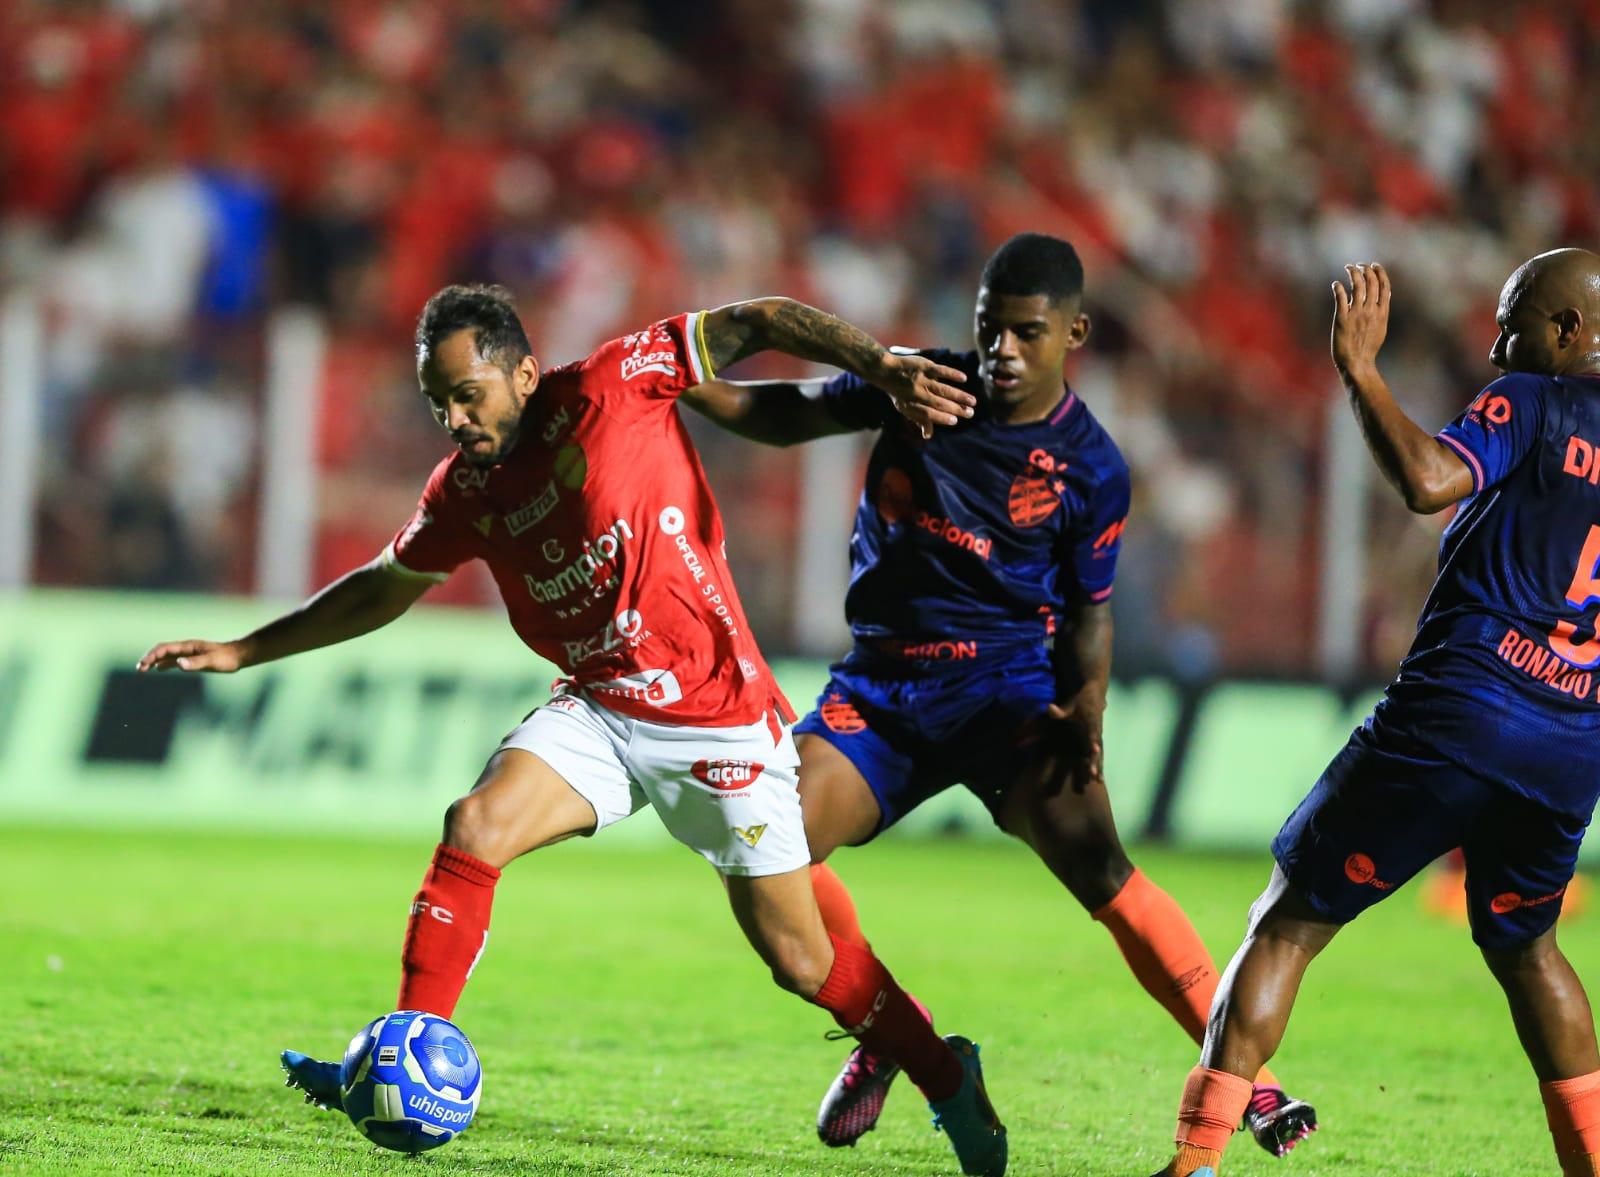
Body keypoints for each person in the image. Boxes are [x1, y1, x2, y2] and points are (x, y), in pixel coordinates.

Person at [136, 284, 1010, 1177]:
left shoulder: (613, 386)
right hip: (599, 704)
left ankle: (947, 1073)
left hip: (716, 718)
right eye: (438, 402)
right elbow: (380, 586)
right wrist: (246, 649)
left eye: (467, 394)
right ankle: (401, 1054)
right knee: (475, 825)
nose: (454, 419)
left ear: (523, 371)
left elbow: (761, 320)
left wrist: (880, 365)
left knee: (800, 960)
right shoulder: (465, 490)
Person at [680, 232, 1316, 1157]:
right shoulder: (921, 384)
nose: (1003, 352)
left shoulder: (1091, 466)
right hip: (885, 690)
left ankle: (1247, 1083)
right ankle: (893, 1031)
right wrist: (668, 376)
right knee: (766, 851)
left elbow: (1090, 613)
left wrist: (1085, 704)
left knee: (1104, 869)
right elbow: (781, 415)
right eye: (990, 330)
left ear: (1074, 333)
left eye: (1026, 332)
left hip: (1006, 696)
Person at [1150, 249, 1600, 1177]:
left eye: (1511, 320)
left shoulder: (1533, 398)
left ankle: (1191, 1169)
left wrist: (1360, 370)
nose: (1494, 343)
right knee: (1530, 948)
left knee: (1288, 919)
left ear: (1566, 331)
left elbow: (1432, 479)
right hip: (1573, 738)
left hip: (1463, 706)